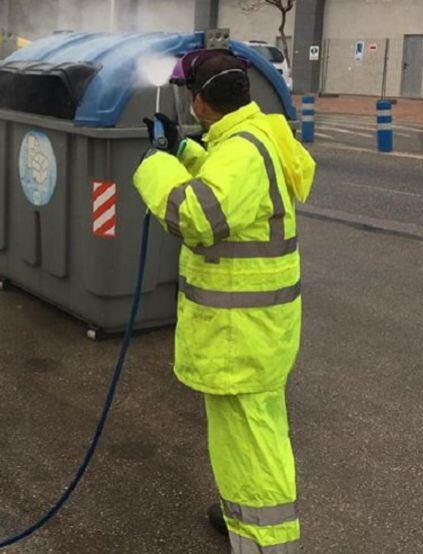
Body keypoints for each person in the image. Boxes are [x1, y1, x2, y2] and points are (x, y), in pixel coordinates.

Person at [133, 51, 315, 553]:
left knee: (251, 442)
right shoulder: (253, 136)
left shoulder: (243, 152)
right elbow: (229, 187)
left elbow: (196, 214)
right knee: (246, 438)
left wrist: (156, 166)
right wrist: (186, 153)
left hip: (243, 332)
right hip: (254, 328)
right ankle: (242, 511)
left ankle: (265, 541)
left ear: (199, 101)